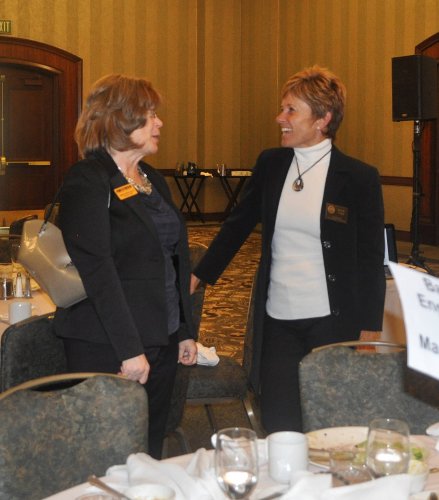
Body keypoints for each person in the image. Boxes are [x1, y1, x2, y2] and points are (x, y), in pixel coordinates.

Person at [191, 66, 385, 433]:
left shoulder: (359, 178)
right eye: (283, 109)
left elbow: (371, 258)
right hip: (278, 318)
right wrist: (199, 275)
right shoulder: (271, 163)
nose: (280, 118)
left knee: (329, 424)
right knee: (279, 420)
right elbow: (237, 225)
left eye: (291, 110)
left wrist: (370, 328)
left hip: (332, 321)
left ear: (322, 119)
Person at [54, 74, 197, 458]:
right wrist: (129, 349)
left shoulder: (152, 179)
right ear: (120, 120)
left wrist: (183, 330)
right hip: (108, 343)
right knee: (107, 456)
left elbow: (173, 258)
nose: (159, 122)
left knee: (148, 448)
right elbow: (98, 270)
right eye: (150, 114)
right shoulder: (88, 179)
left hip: (161, 336)